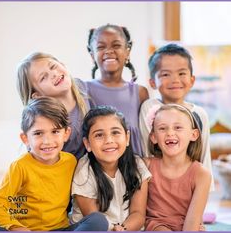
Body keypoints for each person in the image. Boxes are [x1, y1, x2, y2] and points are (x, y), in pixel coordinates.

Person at [0, 97, 108, 231]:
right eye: (38, 133)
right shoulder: (20, 166)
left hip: (60, 229)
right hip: (27, 230)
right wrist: (15, 227)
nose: (47, 141)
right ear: (25, 138)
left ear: (66, 134)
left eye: (55, 132)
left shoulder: (70, 161)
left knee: (98, 220)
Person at [139, 43, 213, 186]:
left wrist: (204, 190)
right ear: (152, 82)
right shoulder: (150, 108)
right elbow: (147, 150)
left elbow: (204, 158)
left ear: (192, 80)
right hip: (157, 183)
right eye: (166, 74)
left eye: (181, 73)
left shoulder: (199, 114)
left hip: (190, 184)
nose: (175, 80)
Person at [70, 105, 151, 231]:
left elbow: (138, 214)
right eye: (99, 135)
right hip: (95, 229)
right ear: (87, 144)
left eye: (115, 132)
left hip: (126, 229)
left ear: (127, 138)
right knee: (98, 222)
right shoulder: (84, 171)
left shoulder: (137, 165)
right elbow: (94, 220)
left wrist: (123, 229)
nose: (108, 140)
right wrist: (113, 229)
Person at [145, 103, 211, 231]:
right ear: (153, 137)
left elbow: (192, 221)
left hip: (188, 225)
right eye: (162, 128)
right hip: (157, 226)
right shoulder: (146, 166)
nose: (170, 133)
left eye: (178, 127)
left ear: (194, 134)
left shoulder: (202, 174)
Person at [86, 24, 149, 156]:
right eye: (101, 47)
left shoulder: (140, 93)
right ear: (92, 55)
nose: (109, 51)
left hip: (135, 172)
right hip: (97, 173)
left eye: (116, 45)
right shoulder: (83, 90)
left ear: (127, 51)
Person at [16, 52, 90, 158]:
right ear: (38, 96)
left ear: (62, 64)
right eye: (43, 78)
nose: (54, 74)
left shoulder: (82, 87)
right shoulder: (43, 124)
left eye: (53, 66)